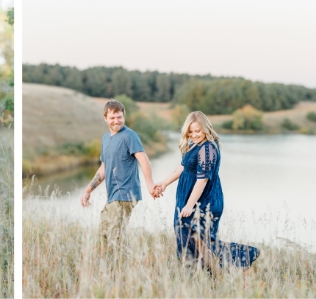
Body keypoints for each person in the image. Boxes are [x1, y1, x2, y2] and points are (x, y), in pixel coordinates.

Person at [151, 111, 259, 271]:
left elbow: (202, 180)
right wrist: (164, 183)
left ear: (206, 129)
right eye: (191, 131)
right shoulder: (195, 144)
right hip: (189, 198)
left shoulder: (207, 149)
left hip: (203, 200)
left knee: (201, 241)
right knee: (193, 240)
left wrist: (189, 205)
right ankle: (204, 277)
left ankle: (242, 257)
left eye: (198, 131)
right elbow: (183, 166)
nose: (194, 134)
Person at [79, 99, 158, 253]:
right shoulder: (105, 139)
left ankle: (121, 270)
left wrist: (150, 184)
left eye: (119, 117)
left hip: (125, 194)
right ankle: (111, 269)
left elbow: (144, 159)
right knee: (104, 233)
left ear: (124, 116)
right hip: (112, 196)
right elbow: (103, 168)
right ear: (105, 118)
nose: (116, 121)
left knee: (115, 237)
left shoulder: (129, 136)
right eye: (112, 117)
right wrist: (88, 190)